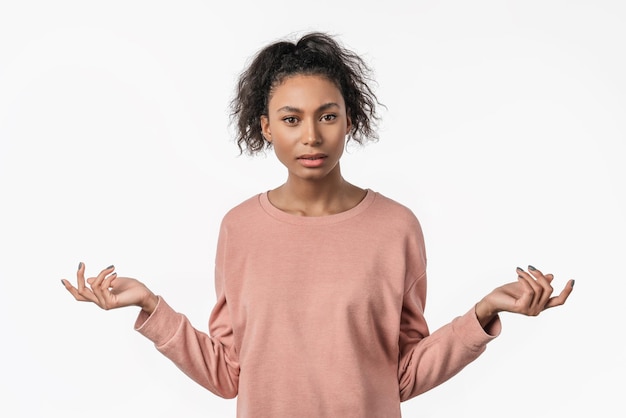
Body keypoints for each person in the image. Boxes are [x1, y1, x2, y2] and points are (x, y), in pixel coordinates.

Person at [61, 31, 574, 418]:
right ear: (264, 127)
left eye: (327, 116)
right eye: (291, 119)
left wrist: (483, 313)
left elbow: (403, 373)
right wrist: (150, 306)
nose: (311, 135)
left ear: (349, 120)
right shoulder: (239, 229)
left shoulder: (395, 227)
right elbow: (228, 374)